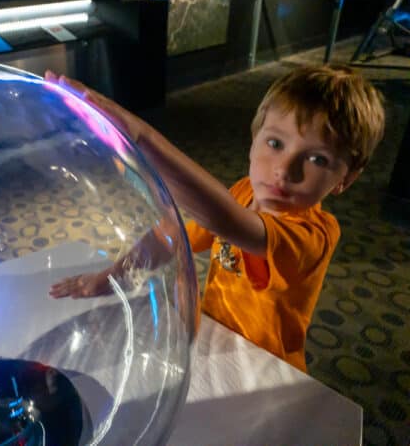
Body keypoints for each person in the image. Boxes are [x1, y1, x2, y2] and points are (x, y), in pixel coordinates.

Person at [45, 65, 385, 372]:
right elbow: (173, 234)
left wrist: (143, 138)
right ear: (253, 141)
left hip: (269, 368)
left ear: (346, 179)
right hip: (215, 338)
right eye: (275, 143)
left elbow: (223, 219)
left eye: (318, 159)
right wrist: (110, 277)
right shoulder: (243, 193)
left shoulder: (315, 235)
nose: (284, 169)